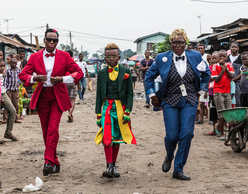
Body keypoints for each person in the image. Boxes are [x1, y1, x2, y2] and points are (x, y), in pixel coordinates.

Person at [145, 29, 210, 180]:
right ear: (171, 44)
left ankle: (178, 169)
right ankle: (169, 155)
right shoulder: (162, 58)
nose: (178, 45)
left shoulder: (195, 56)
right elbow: (149, 76)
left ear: (186, 43)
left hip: (190, 100)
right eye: (175, 42)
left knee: (187, 133)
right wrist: (152, 95)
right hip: (169, 100)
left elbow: (206, 73)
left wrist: (202, 90)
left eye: (181, 42)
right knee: (172, 135)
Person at [19, 28, 83, 176]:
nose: (52, 42)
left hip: (57, 97)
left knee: (53, 128)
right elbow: (23, 75)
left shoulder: (65, 56)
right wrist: (35, 78)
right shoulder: (35, 57)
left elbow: (79, 73)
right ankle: (55, 161)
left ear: (57, 42)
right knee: (46, 131)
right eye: (49, 39)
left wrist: (63, 79)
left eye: (55, 40)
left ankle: (48, 161)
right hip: (42, 96)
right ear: (44, 40)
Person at [95, 43, 136, 178]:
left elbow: (130, 93)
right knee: (107, 136)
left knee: (117, 137)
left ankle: (113, 165)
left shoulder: (126, 71)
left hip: (120, 108)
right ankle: (109, 166)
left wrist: (128, 112)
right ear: (105, 58)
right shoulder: (101, 73)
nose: (111, 59)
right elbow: (98, 94)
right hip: (107, 107)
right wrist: (98, 113)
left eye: (114, 56)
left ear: (119, 57)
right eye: (108, 56)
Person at [212, 50, 234, 140]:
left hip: (227, 91)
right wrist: (222, 70)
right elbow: (216, 80)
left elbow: (232, 76)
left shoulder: (229, 64)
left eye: (223, 56)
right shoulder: (215, 66)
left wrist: (226, 69)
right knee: (221, 113)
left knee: (228, 113)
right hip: (218, 91)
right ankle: (221, 133)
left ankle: (228, 132)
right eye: (220, 56)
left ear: (226, 57)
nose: (221, 58)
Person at [0, 58, 18, 141]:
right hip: (2, 94)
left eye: (3, 66)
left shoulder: (1, 74)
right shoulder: (6, 72)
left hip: (3, 92)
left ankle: (8, 132)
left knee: (12, 110)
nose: (2, 68)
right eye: (0, 66)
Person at [4, 58, 22, 123]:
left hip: (15, 89)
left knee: (16, 104)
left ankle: (16, 118)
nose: (14, 64)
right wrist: (5, 89)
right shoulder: (7, 70)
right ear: (10, 63)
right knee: (7, 104)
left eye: (15, 63)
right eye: (12, 63)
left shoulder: (18, 70)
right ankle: (5, 118)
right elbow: (5, 80)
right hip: (9, 89)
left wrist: (19, 83)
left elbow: (21, 78)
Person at [206, 51, 219, 136]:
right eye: (212, 58)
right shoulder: (209, 68)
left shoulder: (220, 67)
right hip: (211, 92)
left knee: (220, 111)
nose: (214, 60)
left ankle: (220, 129)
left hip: (219, 91)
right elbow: (208, 78)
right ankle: (214, 129)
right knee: (213, 110)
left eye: (215, 58)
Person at [226, 42, 242, 107]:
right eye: (232, 47)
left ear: (238, 48)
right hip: (228, 83)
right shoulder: (227, 58)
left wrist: (234, 79)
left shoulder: (241, 58)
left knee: (238, 100)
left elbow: (243, 71)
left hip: (238, 83)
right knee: (229, 101)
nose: (234, 48)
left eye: (235, 47)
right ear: (230, 48)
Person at [65, 50, 77, 122]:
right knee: (72, 99)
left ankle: (70, 114)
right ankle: (70, 113)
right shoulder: (74, 61)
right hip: (72, 80)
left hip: (64, 81)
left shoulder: (63, 61)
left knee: (67, 100)